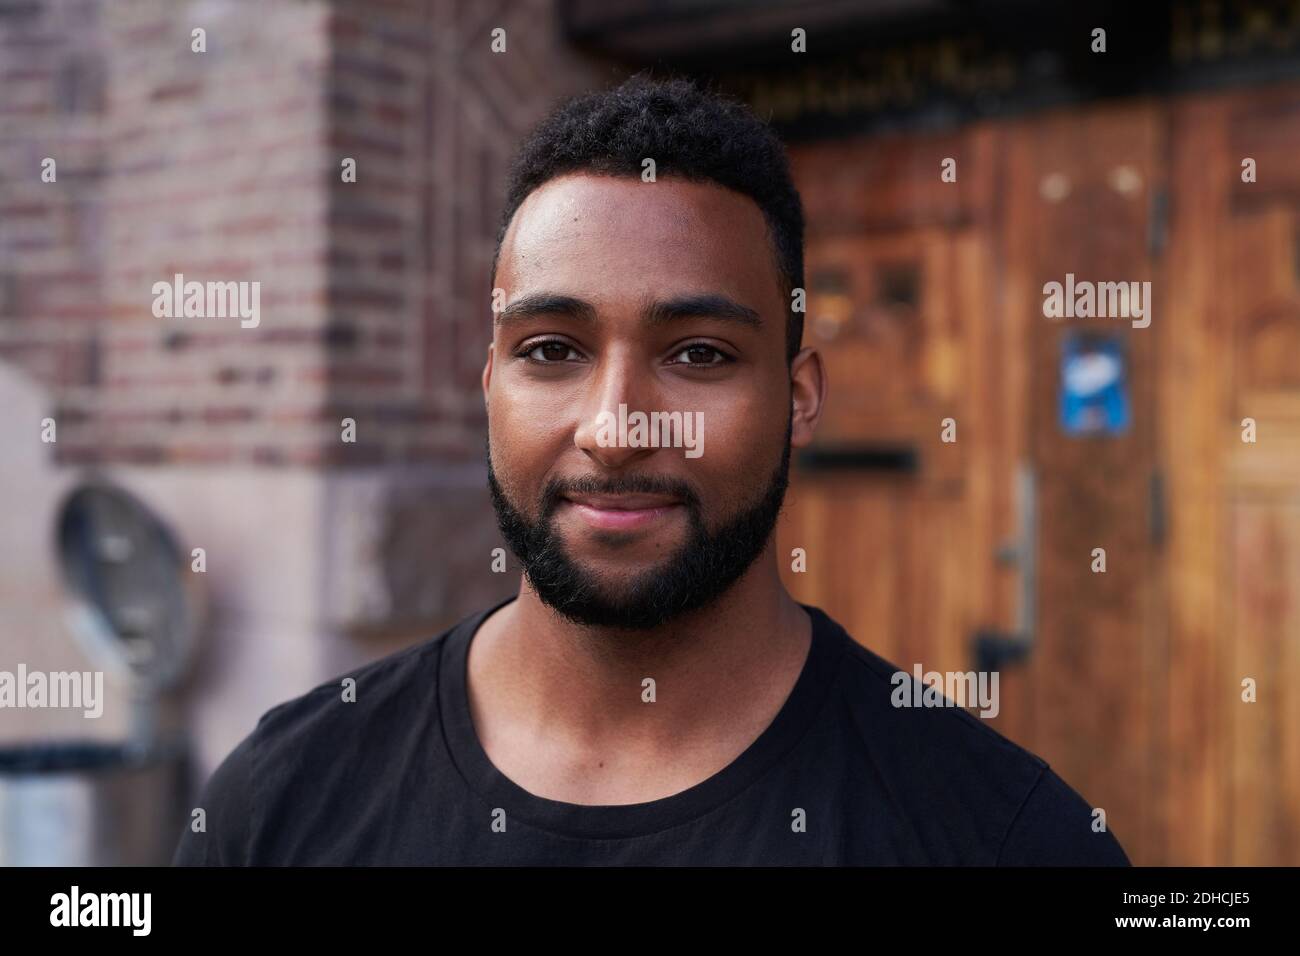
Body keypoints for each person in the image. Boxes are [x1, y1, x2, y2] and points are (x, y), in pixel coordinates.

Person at [173, 74, 1130, 866]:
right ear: (489, 383)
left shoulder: (1006, 840)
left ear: (799, 398)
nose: (616, 428)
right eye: (551, 350)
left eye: (699, 354)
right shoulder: (280, 802)